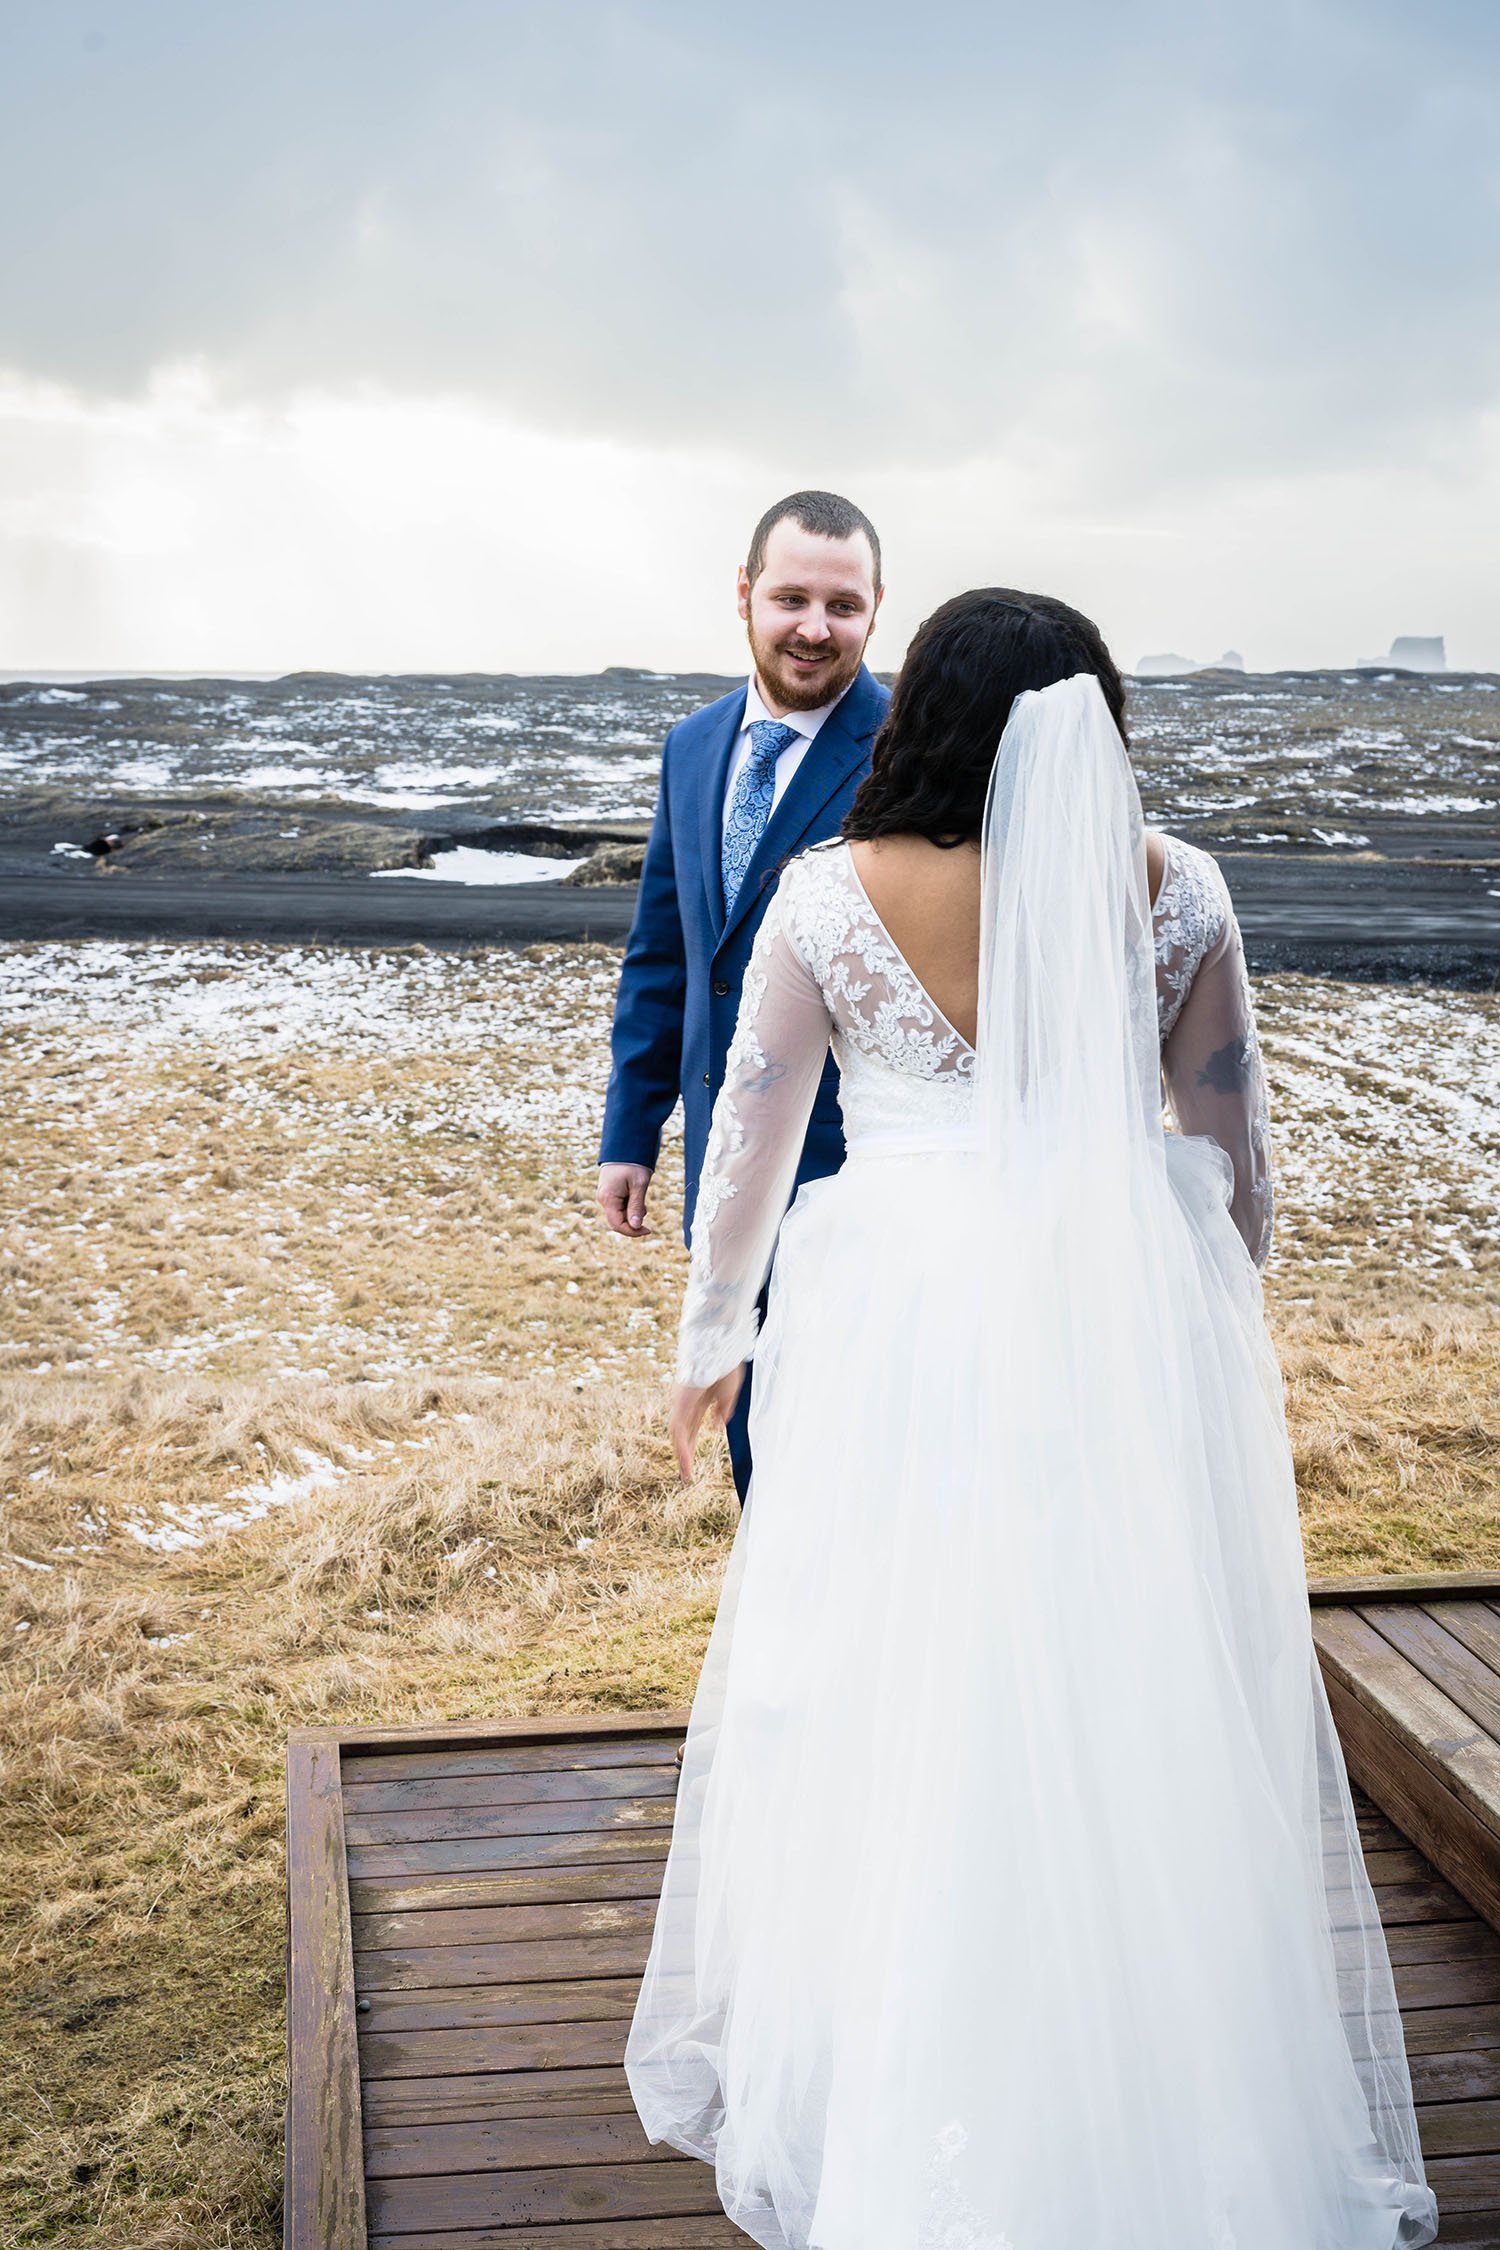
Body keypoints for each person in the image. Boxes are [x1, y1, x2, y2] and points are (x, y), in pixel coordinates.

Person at [624, 591, 1437, 2250]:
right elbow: (1233, 1148)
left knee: (894, 1665)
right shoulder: (1177, 886)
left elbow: (754, 1151)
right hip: (1110, 1308)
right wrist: (1210, 1308)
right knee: (1111, 1668)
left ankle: (899, 2069)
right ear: (1093, 726)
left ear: (923, 719)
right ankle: (1138, 2077)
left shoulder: (827, 896)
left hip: (900, 1321)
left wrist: (714, 1335)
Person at [597, 490, 889, 1502]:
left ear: (876, 610)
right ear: (744, 595)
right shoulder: (692, 746)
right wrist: (632, 1133)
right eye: (792, 597)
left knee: (861, 1448)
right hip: (722, 1173)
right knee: (760, 1454)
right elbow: (667, 954)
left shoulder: (909, 753)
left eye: (843, 606)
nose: (815, 627)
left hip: (860, 1175)